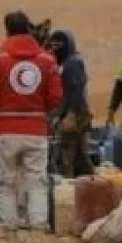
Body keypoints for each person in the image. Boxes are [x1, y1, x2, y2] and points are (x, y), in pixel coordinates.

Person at [0, 11, 61, 243]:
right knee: (37, 183)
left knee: (6, 183)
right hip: (36, 131)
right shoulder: (47, 60)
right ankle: (37, 241)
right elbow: (56, 97)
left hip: (5, 131)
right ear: (28, 29)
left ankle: (11, 242)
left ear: (6, 30)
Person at [46, 29, 93, 178]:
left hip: (72, 118)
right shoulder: (69, 62)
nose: (54, 49)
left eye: (58, 45)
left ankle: (70, 189)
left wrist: (70, 114)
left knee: (66, 158)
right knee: (80, 157)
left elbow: (75, 90)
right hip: (72, 116)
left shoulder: (71, 64)